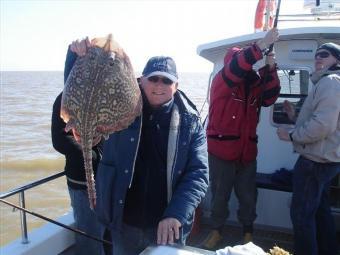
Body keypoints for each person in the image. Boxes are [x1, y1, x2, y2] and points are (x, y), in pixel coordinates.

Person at [67, 38, 209, 255]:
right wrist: (75, 55)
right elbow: (84, 93)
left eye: (166, 81)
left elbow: (198, 173)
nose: (159, 85)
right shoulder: (122, 108)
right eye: (153, 79)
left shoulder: (191, 122)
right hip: (124, 221)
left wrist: (177, 214)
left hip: (167, 224)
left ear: (176, 86)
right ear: (141, 80)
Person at [203, 28, 281, 249]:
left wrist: (271, 67)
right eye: (239, 61)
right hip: (221, 154)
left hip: (247, 154)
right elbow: (237, 67)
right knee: (220, 197)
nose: (246, 67)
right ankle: (216, 232)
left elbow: (270, 97)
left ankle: (248, 233)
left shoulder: (255, 85)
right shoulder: (222, 81)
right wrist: (261, 45)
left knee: (248, 198)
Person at [277, 42, 340, 255]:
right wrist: (294, 116)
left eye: (325, 54)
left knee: (302, 216)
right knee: (320, 211)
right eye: (316, 55)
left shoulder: (330, 82)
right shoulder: (329, 83)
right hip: (326, 160)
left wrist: (292, 134)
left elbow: (323, 125)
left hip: (315, 161)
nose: (318, 58)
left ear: (337, 61)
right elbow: (326, 121)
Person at [51, 47, 107, 255]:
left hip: (108, 181)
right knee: (89, 235)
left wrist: (101, 149)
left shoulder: (104, 97)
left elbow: (113, 129)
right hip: (81, 183)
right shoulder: (63, 99)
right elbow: (59, 139)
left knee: (109, 233)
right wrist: (87, 150)